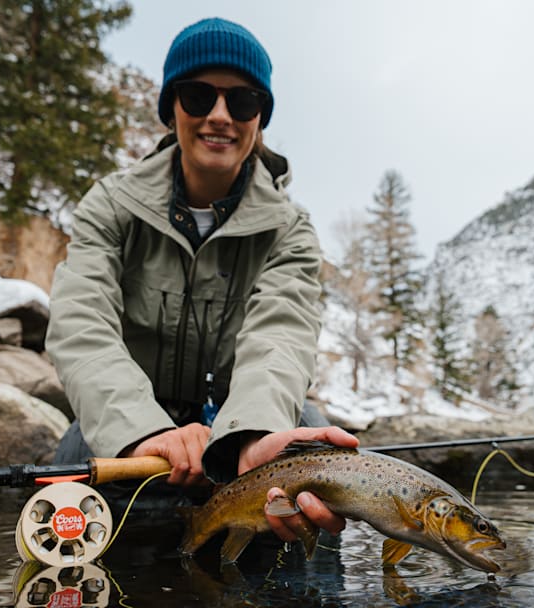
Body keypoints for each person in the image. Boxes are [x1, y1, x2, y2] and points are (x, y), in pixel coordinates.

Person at [45, 17, 357, 548]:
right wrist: (144, 431)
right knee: (67, 474)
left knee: (312, 456)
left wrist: (251, 437)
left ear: (260, 117)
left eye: (241, 102)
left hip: (245, 422)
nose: (219, 116)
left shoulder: (291, 229)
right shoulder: (110, 205)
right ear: (171, 108)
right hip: (133, 420)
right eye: (197, 96)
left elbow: (281, 337)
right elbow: (82, 325)